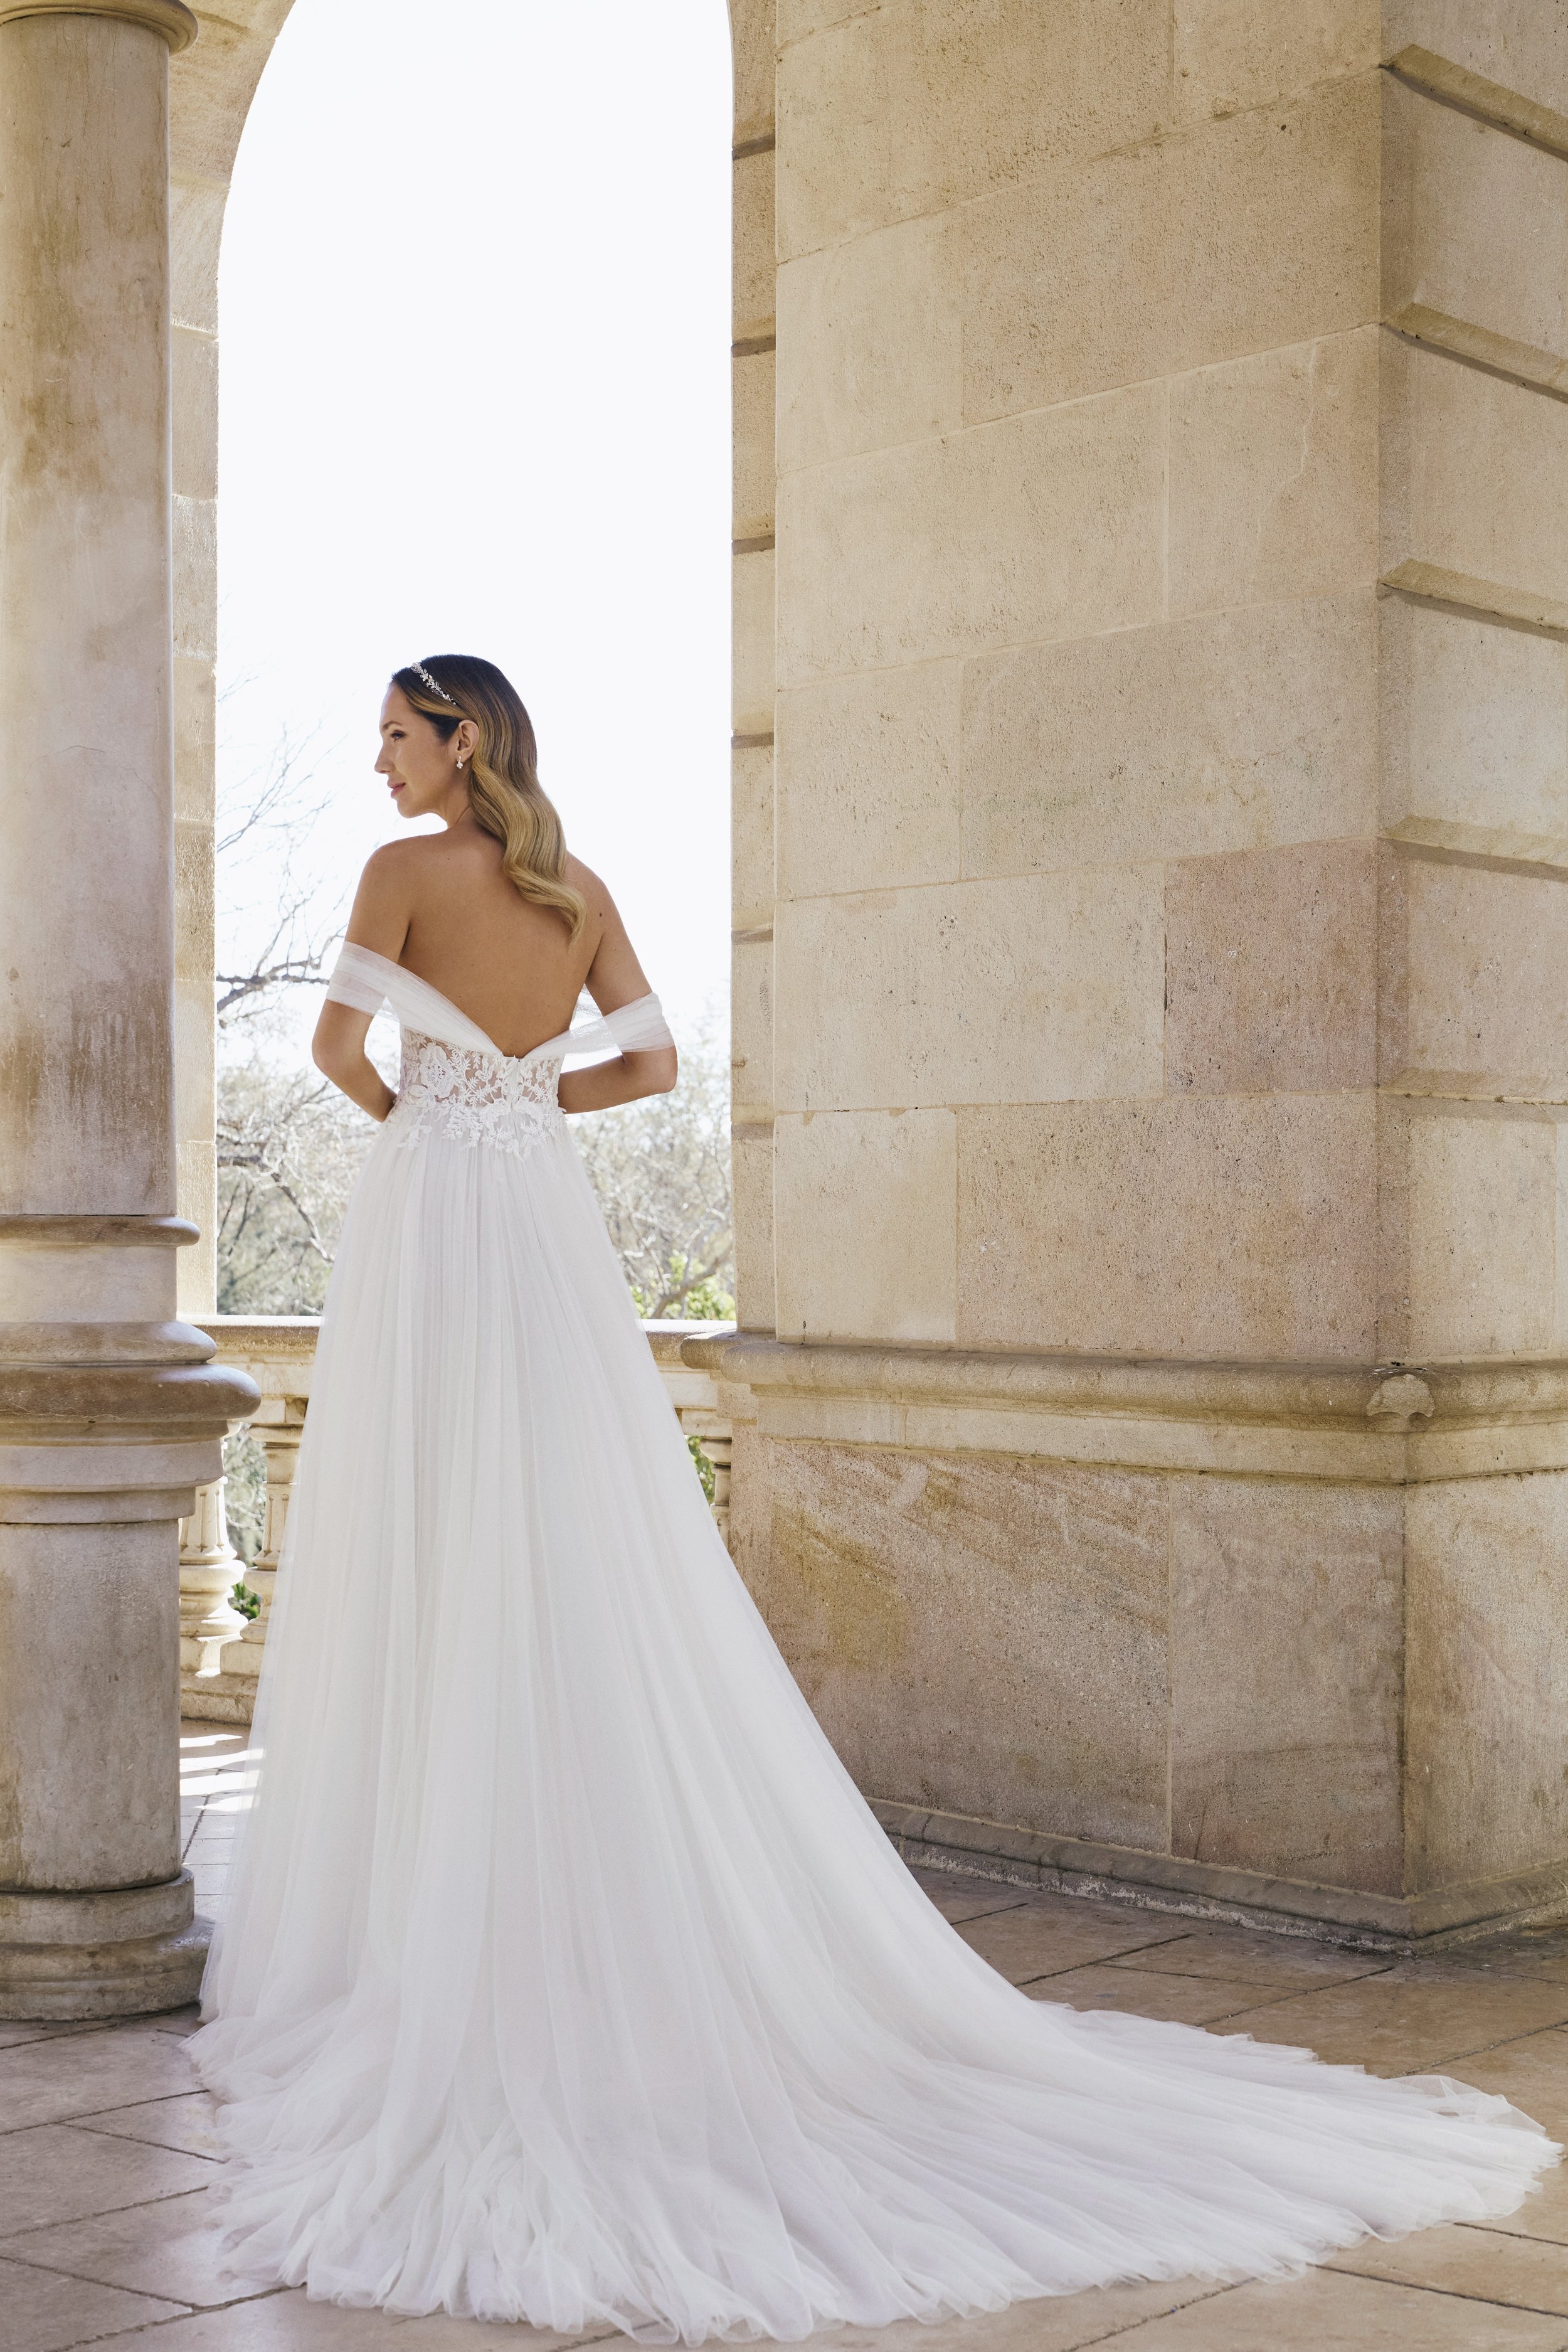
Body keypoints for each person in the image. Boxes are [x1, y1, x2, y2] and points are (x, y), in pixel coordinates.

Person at [193, 654, 1558, 2344]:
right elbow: (656, 1064)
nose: (381, 764)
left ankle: (425, 1914)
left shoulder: (405, 875)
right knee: (561, 1520)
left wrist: (426, 1113)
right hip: (541, 1216)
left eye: (397, 735)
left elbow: (334, 1049)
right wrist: (523, 1096)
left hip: (435, 1222)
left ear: (457, 738)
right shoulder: (580, 889)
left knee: (429, 1522)